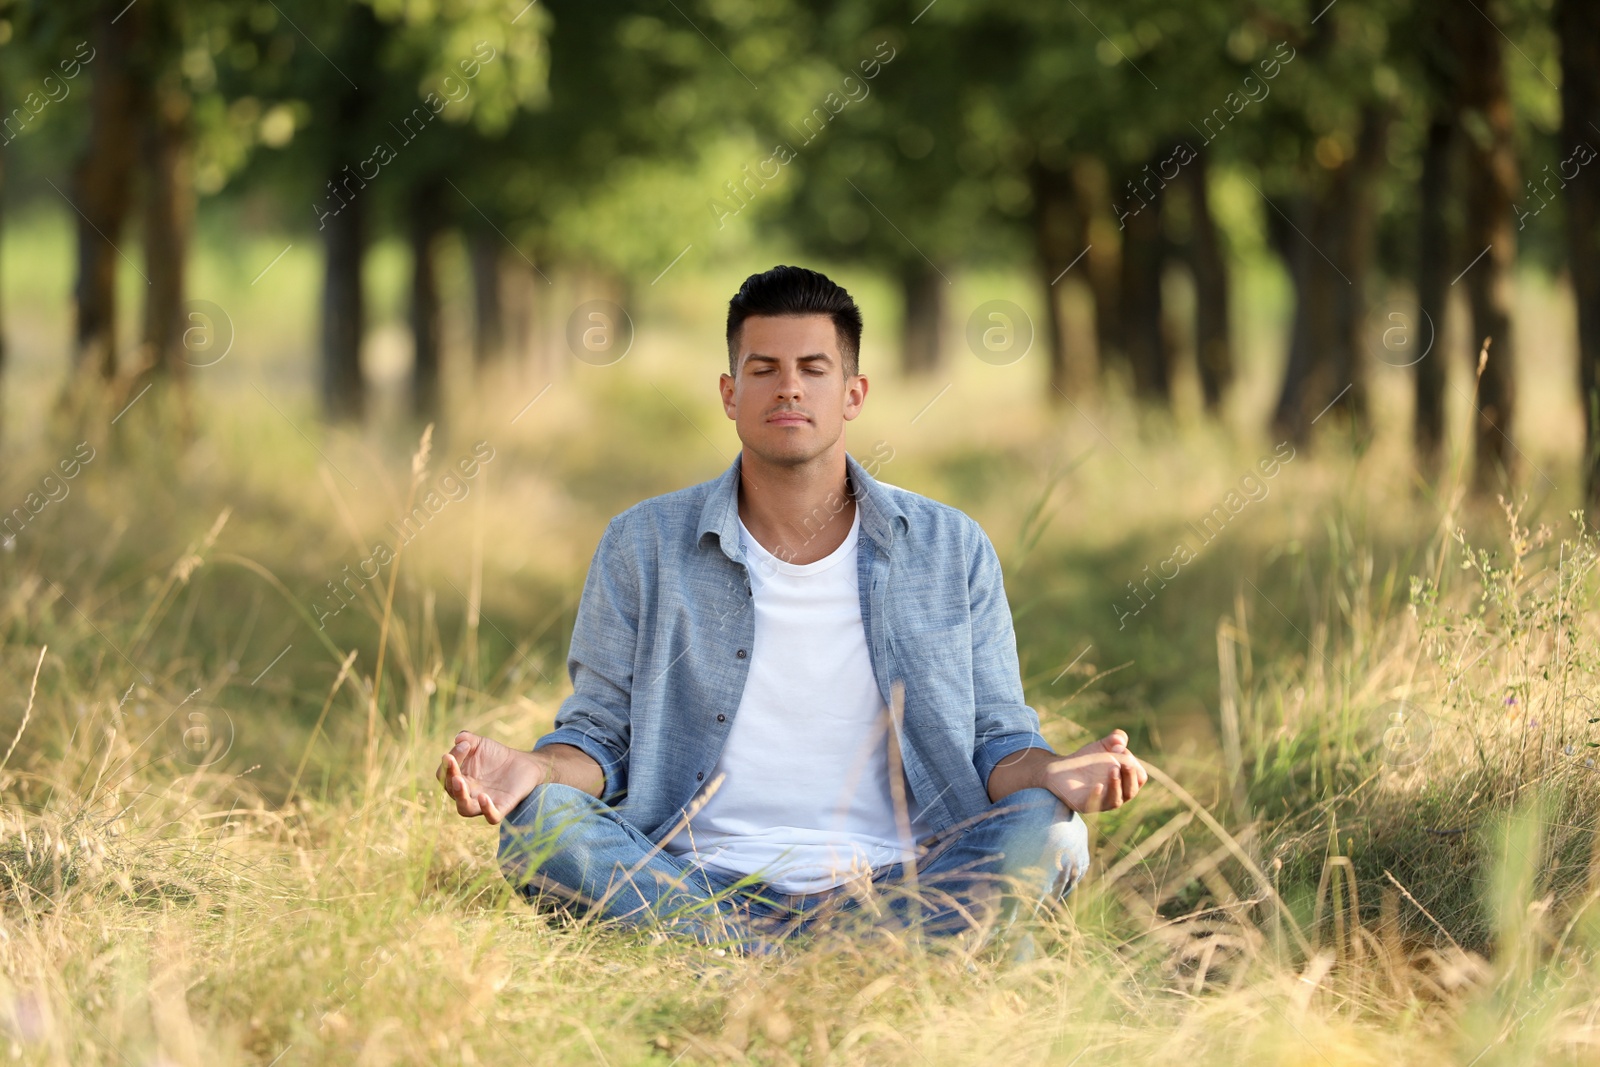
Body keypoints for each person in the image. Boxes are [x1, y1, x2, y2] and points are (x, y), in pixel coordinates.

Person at [437, 265, 1147, 957]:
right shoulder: (642, 542)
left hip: (900, 877)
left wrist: (1052, 773)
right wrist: (533, 767)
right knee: (542, 826)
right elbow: (601, 740)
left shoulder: (949, 546)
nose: (788, 388)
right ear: (729, 391)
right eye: (763, 368)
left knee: (1049, 830)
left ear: (853, 392)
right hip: (694, 879)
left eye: (813, 367)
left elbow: (997, 744)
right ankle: (850, 954)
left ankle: (736, 956)